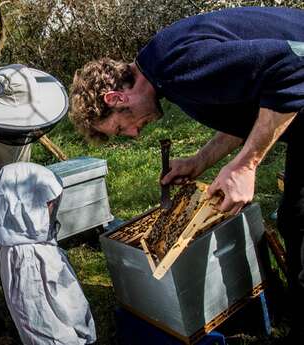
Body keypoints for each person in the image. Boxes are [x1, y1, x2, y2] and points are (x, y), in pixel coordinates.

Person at [69, 6, 304, 342]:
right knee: (294, 220)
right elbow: (254, 105)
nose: (134, 134)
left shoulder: (178, 66)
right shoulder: (165, 69)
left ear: (117, 96)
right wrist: (200, 160)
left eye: (122, 127)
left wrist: (247, 164)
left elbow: (293, 66)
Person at [0, 162, 97, 345]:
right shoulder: (29, 257)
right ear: (27, 203)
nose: (52, 205)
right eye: (47, 200)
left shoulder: (14, 246)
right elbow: (52, 307)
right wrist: (81, 329)